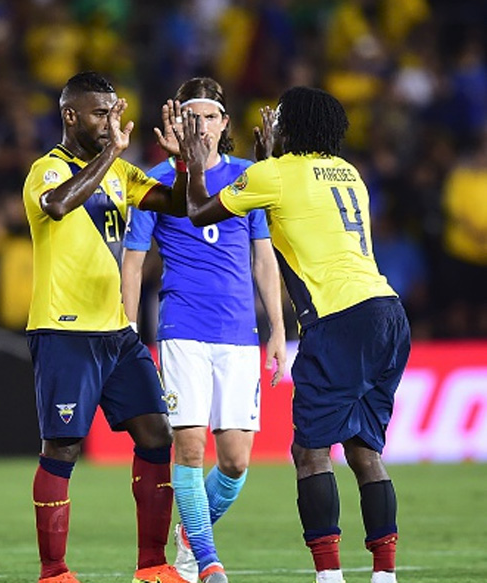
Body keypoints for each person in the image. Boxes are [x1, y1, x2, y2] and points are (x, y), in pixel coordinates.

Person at [176, 86, 410, 583]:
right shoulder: (349, 172)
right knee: (365, 451)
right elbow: (298, 214)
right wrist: (269, 165)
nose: (273, 124)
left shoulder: (273, 175)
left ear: (295, 126)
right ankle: (385, 575)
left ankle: (329, 577)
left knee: (310, 452)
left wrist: (195, 164)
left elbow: (198, 211)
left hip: (338, 319)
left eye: (280, 118)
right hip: (387, 314)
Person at [23, 71, 190, 583]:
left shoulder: (120, 171)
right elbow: (57, 205)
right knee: (64, 447)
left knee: (157, 435)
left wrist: (182, 161)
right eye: (100, 113)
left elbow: (179, 204)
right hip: (65, 329)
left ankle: (152, 566)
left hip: (118, 332)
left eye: (115, 111)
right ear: (70, 115)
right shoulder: (45, 171)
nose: (110, 122)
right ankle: (54, 572)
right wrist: (111, 156)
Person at [121, 77, 286, 583]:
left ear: (224, 124)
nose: (201, 126)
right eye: (190, 117)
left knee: (235, 462)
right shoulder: (157, 181)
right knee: (188, 448)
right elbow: (132, 263)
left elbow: (264, 260)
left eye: (209, 116)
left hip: (238, 334)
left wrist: (278, 327)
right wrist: (127, 328)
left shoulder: (247, 178)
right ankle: (206, 562)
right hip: (182, 328)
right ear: (176, 124)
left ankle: (189, 539)